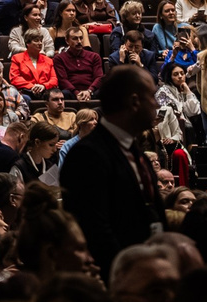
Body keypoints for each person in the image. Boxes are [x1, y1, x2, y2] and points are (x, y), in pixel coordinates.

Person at [61, 65, 166, 271]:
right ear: (135, 102)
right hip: (123, 279)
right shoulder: (87, 155)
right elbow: (95, 229)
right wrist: (132, 272)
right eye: (152, 97)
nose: (156, 104)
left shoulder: (133, 149)